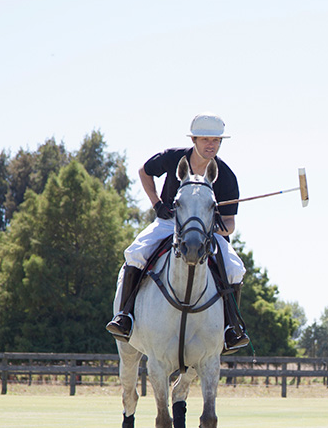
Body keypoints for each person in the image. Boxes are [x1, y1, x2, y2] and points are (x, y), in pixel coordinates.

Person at [106, 113, 249, 353]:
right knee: (136, 253)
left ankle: (231, 330)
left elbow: (230, 223)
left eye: (216, 140)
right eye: (205, 139)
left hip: (205, 232)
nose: (211, 145)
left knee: (235, 269)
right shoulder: (174, 158)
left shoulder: (225, 175)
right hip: (168, 223)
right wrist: (156, 203)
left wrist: (210, 227)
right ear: (194, 139)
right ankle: (124, 317)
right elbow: (144, 171)